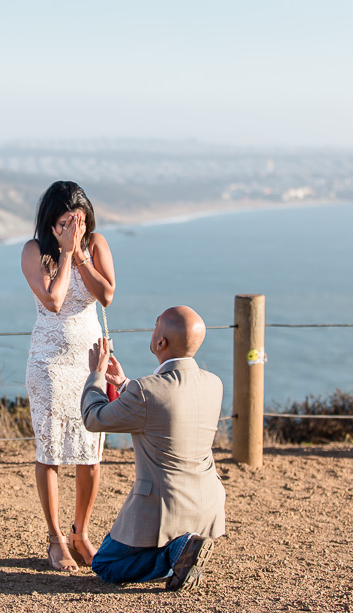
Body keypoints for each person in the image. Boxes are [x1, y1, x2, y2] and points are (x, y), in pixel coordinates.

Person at [80, 306, 225, 591]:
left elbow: (93, 418)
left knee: (105, 564)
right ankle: (186, 548)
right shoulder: (214, 383)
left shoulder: (146, 391)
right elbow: (167, 410)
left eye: (156, 325)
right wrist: (124, 385)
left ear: (161, 343)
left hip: (162, 508)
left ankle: (176, 553)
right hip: (207, 504)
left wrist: (95, 375)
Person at [21, 180, 116, 571]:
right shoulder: (34, 251)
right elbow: (54, 300)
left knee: (90, 454)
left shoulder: (95, 244)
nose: (74, 229)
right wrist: (64, 254)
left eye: (79, 222)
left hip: (89, 362)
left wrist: (79, 254)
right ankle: (55, 537)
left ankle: (81, 532)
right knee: (51, 452)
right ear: (51, 222)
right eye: (65, 223)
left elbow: (106, 294)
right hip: (48, 363)